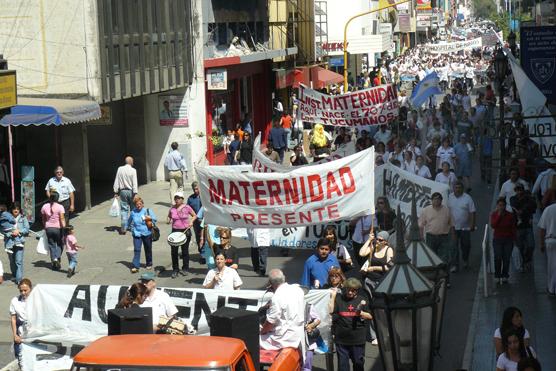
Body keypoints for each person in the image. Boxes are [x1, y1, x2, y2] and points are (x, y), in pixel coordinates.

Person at [331, 278, 372, 371]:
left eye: (353, 290)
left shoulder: (362, 300)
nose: (350, 292)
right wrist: (333, 332)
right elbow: (333, 315)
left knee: (358, 363)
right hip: (341, 339)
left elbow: (370, 316)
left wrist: (360, 313)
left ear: (357, 290)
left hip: (357, 338)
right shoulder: (339, 299)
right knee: (343, 366)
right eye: (348, 289)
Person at [260, 269, 305, 351]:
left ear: (270, 283)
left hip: (284, 339)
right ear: (284, 278)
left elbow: (271, 322)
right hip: (298, 334)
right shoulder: (298, 290)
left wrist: (262, 331)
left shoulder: (277, 297)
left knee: (252, 338)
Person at [419, 192, 454, 266]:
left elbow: (452, 225)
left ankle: (443, 274)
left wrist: (453, 237)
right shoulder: (426, 210)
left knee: (444, 258)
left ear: (441, 200)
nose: (437, 201)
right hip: (431, 237)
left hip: (444, 237)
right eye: (435, 199)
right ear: (431, 200)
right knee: (431, 257)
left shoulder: (447, 210)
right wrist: (421, 237)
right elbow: (421, 225)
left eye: (438, 199)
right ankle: (433, 273)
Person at [448, 182, 476, 271]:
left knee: (466, 245)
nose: (458, 189)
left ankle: (465, 259)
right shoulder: (449, 197)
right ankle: (454, 265)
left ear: (462, 188)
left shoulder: (468, 198)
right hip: (453, 227)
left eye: (459, 187)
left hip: (465, 227)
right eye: (456, 187)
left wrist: (472, 224)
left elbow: (472, 212)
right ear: (453, 188)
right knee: (453, 246)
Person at [167, 191, 196, 278]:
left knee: (185, 251)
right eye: (175, 198)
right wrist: (168, 220)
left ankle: (185, 268)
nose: (177, 200)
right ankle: (175, 269)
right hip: (175, 231)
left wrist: (191, 222)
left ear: (182, 199)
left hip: (185, 231)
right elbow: (169, 216)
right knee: (174, 252)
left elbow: (194, 215)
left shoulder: (187, 207)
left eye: (179, 198)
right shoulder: (172, 208)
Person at [510, 184, 537, 272]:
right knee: (520, 246)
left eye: (520, 190)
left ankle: (527, 259)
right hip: (518, 226)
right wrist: (525, 206)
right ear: (515, 190)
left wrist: (522, 209)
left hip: (528, 225)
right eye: (517, 190)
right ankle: (523, 262)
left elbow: (533, 206)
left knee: (531, 245)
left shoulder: (528, 198)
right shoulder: (513, 198)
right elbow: (515, 205)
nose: (519, 192)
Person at [490, 197, 517, 284]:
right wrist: (499, 215)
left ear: (505, 206)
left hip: (508, 239)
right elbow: (493, 225)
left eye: (503, 205)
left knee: (506, 258)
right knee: (498, 257)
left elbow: (513, 227)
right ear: (497, 206)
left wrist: (514, 239)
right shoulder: (494, 214)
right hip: (498, 239)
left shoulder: (510, 215)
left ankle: (505, 274)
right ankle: (497, 275)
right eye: (499, 205)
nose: (501, 207)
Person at [128, 196, 157, 274]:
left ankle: (149, 263)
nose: (138, 205)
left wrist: (149, 218)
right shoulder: (133, 212)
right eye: (137, 204)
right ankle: (135, 266)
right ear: (135, 205)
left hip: (147, 233)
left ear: (143, 204)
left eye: (140, 204)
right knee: (137, 250)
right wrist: (131, 229)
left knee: (148, 249)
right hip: (137, 234)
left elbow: (155, 219)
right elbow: (129, 222)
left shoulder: (147, 211)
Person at [1, 204, 29, 283]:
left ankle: (19, 279)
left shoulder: (23, 218)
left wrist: (19, 231)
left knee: (18, 261)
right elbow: (2, 229)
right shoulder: (5, 218)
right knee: (12, 260)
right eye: (14, 209)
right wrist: (10, 233)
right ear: (11, 210)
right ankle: (14, 274)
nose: (16, 210)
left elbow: (27, 229)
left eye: (17, 209)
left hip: (20, 241)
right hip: (9, 242)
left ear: (20, 210)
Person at [113, 156, 139, 235]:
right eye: (133, 161)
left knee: (124, 209)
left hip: (123, 192)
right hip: (131, 192)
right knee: (133, 209)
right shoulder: (133, 170)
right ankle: (132, 227)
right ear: (131, 162)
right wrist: (135, 193)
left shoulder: (120, 169)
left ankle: (123, 227)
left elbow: (117, 180)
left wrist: (116, 191)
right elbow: (134, 182)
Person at [10, 278, 32, 369]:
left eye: (25, 290)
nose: (23, 293)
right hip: (21, 333)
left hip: (33, 333)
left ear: (31, 288)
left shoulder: (37, 300)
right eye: (21, 290)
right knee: (21, 358)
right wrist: (15, 335)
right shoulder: (14, 301)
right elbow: (13, 319)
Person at [41, 192, 66, 270]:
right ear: (57, 198)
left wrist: (45, 226)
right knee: (60, 244)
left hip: (48, 228)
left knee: (51, 245)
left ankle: (54, 260)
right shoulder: (60, 207)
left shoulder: (45, 206)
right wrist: (64, 227)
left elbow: (43, 218)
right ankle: (57, 257)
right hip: (57, 228)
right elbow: (62, 218)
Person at [538, 202, 556, 295]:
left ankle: (551, 288)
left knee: (552, 265)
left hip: (551, 240)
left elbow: (542, 228)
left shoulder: (548, 209)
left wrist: (541, 244)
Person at [186, 182, 203, 262]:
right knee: (198, 237)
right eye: (194, 189)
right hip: (196, 222)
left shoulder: (204, 196)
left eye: (197, 189)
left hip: (206, 220)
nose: (196, 191)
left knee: (206, 237)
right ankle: (202, 254)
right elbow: (187, 209)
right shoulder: (190, 198)